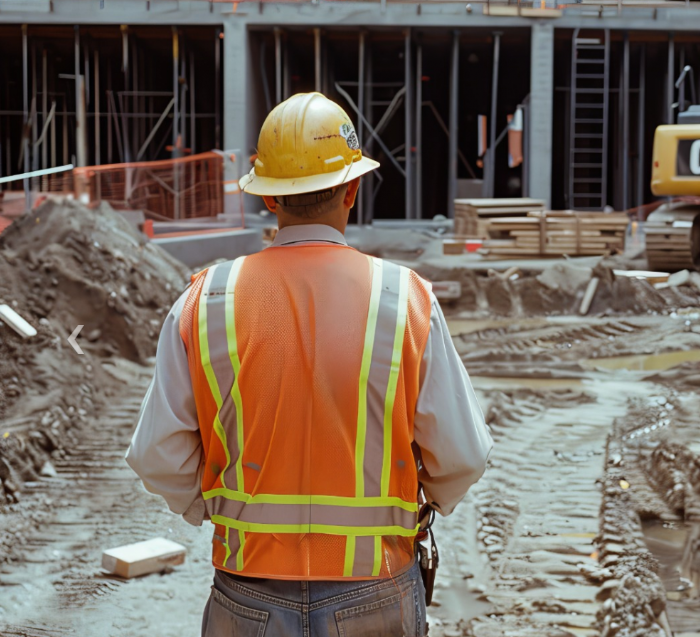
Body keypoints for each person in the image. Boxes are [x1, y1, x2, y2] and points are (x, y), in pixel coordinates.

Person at [126, 92, 492, 637]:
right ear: (353, 188)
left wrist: (214, 510)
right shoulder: (405, 298)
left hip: (245, 590)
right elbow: (462, 457)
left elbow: (157, 455)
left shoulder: (206, 301)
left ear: (270, 200)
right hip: (375, 588)